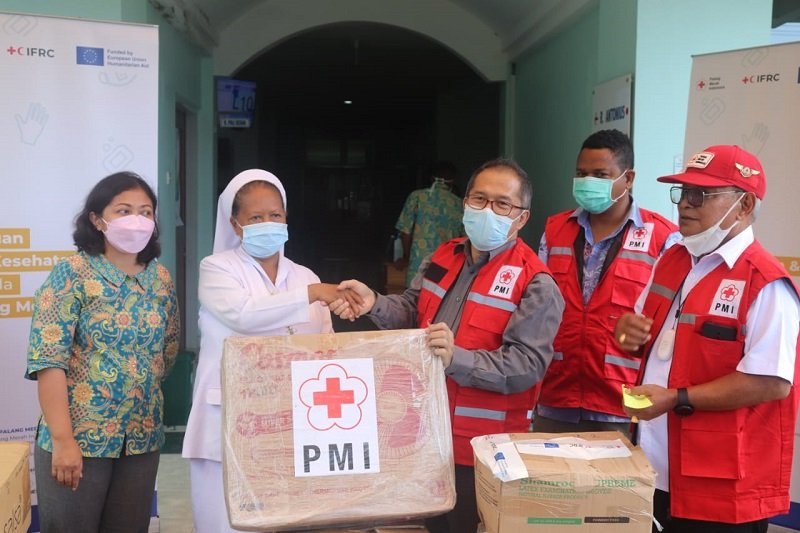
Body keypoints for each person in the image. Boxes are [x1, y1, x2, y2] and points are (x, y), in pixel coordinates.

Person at [334, 158, 564, 533]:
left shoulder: (536, 283)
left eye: (502, 204)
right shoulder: (442, 256)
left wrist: (458, 359)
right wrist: (373, 302)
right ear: (464, 203)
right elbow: (411, 310)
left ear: (521, 218)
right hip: (423, 438)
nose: (488, 210)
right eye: (479, 199)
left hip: (484, 452)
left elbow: (526, 366)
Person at [615, 145, 800, 532]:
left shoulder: (764, 282)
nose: (685, 204)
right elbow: (637, 337)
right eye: (682, 192)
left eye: (701, 195)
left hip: (719, 488)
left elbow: (771, 382)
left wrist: (677, 399)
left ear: (745, 205)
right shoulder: (673, 259)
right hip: (653, 470)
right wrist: (626, 335)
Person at [182, 169, 360, 533]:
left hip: (293, 423)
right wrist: (313, 295)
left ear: (286, 218)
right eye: (255, 217)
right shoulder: (217, 269)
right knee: (225, 523)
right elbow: (245, 315)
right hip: (227, 422)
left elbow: (326, 347)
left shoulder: (306, 276)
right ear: (235, 224)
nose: (268, 223)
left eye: (275, 215)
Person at [25, 172, 180, 533]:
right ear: (97, 220)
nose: (136, 220)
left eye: (145, 212)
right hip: (78, 439)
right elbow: (48, 361)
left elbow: (168, 352)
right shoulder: (71, 274)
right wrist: (64, 441)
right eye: (124, 210)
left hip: (140, 439)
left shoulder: (160, 279)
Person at [532, 129, 679, 436]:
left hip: (624, 403)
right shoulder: (556, 230)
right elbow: (535, 308)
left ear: (628, 178)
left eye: (600, 174)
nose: (588, 182)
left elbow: (673, 323)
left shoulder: (663, 238)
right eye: (581, 174)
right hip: (556, 395)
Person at [395, 161, 464, 286]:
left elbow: (405, 232)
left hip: (417, 264)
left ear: (431, 178)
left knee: (413, 301)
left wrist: (407, 257)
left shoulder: (416, 197)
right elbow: (464, 239)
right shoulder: (459, 204)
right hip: (447, 265)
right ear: (453, 181)